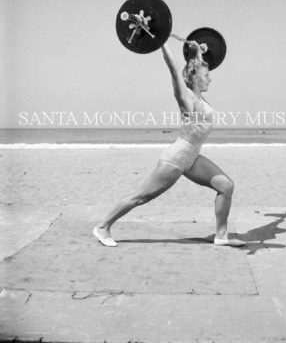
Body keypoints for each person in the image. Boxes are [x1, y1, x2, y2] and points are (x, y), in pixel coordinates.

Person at [93, 39, 245, 247]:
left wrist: (196, 52)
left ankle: (221, 235)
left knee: (226, 186)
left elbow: (196, 69)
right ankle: (103, 226)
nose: (210, 80)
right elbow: (175, 70)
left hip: (192, 156)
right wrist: (162, 41)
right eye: (207, 76)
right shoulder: (187, 98)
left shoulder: (200, 97)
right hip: (177, 156)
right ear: (194, 79)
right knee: (141, 197)